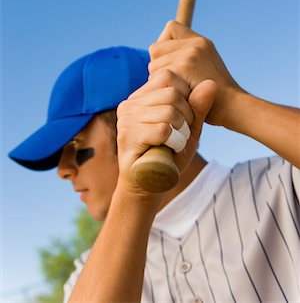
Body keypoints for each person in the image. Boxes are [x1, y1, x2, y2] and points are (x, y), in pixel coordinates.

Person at [9, 21, 300, 303]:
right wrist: (135, 192)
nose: (63, 171)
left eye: (74, 146)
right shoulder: (90, 273)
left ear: (149, 118)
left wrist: (231, 102)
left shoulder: (282, 183)